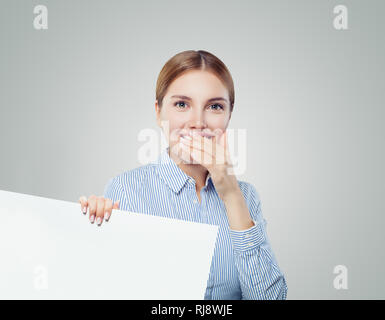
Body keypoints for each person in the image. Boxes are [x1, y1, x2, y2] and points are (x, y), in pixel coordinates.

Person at [78, 50, 288, 300]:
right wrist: (90, 233)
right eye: (181, 104)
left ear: (229, 115)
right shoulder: (125, 190)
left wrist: (232, 196)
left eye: (214, 106)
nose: (198, 122)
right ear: (158, 112)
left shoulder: (247, 197)